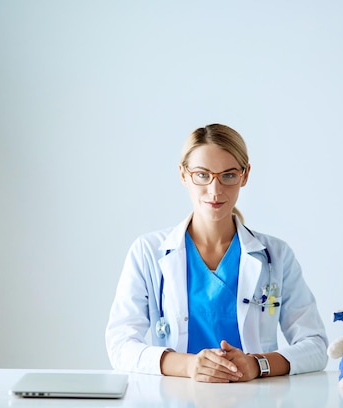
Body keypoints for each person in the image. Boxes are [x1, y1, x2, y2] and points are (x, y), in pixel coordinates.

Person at [105, 123, 328, 382]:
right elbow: (120, 345)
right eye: (202, 175)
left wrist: (257, 365)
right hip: (177, 396)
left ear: (245, 176)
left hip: (255, 398)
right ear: (183, 175)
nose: (215, 190)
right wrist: (188, 365)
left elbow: (315, 346)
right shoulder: (147, 252)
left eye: (229, 175)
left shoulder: (276, 255)